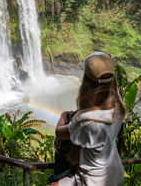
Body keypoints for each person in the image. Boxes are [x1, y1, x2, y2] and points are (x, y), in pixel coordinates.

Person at [48, 52, 125, 186]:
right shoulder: (118, 108)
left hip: (93, 180)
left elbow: (59, 132)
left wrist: (63, 115)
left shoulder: (87, 121)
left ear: (87, 83)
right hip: (115, 171)